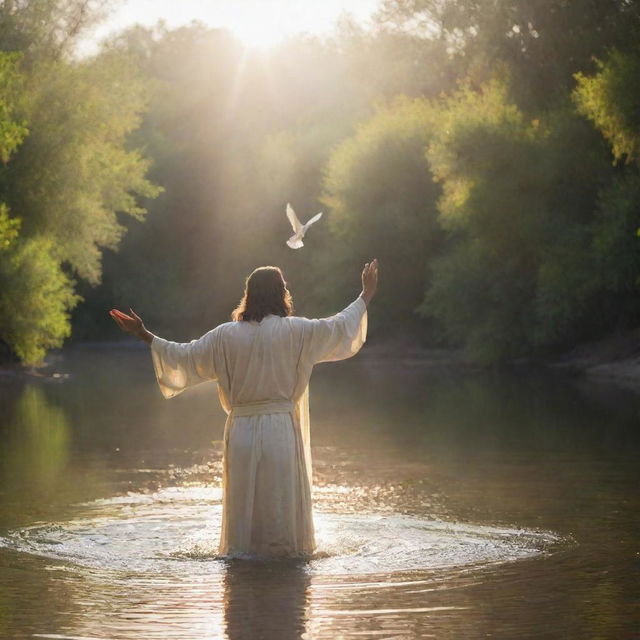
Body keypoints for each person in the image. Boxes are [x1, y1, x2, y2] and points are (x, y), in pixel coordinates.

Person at [109, 259, 378, 559]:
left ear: (248, 295)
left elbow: (182, 356)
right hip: (281, 430)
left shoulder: (225, 336)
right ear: (281, 294)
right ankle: (286, 565)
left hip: (242, 431)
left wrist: (143, 333)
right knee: (281, 503)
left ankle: (243, 564)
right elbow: (340, 326)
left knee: (244, 507)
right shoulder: (299, 332)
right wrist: (365, 294)